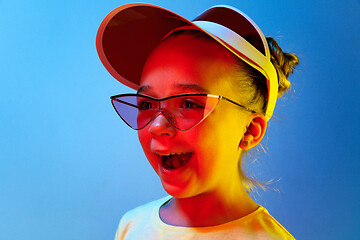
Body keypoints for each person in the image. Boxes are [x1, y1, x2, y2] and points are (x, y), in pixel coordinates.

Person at [96, 3, 299, 239]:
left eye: (189, 104)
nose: (157, 126)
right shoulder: (132, 226)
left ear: (249, 131)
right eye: (147, 104)